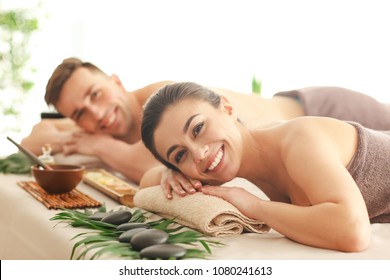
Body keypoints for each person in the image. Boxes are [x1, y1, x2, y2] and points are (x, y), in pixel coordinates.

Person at [21, 57, 390, 184]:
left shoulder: (161, 100)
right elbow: (31, 142)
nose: (97, 113)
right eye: (80, 113)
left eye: (96, 94)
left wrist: (94, 143)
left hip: (323, 109)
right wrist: (82, 131)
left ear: (116, 82)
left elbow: (144, 165)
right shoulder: (102, 124)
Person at [140, 81, 390, 252]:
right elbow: (145, 184)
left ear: (227, 108)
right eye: (180, 155)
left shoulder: (298, 139)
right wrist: (169, 173)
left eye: (198, 128)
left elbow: (352, 231)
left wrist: (256, 207)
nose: (199, 153)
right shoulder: (210, 161)